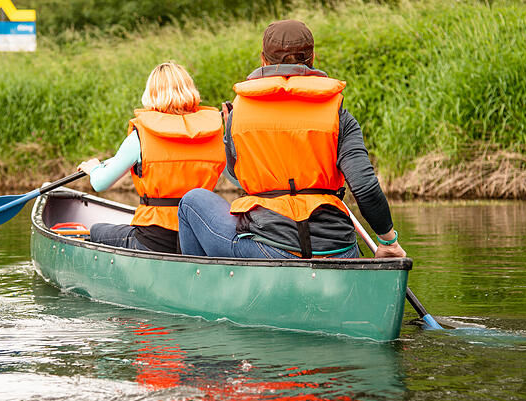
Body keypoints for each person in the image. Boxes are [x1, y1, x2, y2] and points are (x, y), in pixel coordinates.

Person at [177, 20, 406, 259]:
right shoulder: (338, 115)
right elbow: (365, 187)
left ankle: (208, 288)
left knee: (192, 201)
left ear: (263, 60)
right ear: (312, 58)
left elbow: (238, 178)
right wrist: (388, 242)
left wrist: (229, 134)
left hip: (267, 248)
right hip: (337, 251)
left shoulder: (239, 114)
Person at [77, 62, 226, 253]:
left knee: (96, 231)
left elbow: (100, 184)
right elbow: (235, 178)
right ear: (190, 90)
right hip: (198, 238)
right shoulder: (213, 133)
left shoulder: (140, 136)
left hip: (154, 240)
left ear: (151, 94)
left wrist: (95, 168)